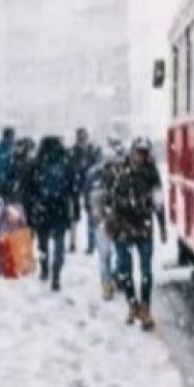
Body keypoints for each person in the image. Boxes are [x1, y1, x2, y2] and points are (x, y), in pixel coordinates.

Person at [111, 137, 166, 330]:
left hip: (143, 226)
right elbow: (111, 198)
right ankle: (132, 304)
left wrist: (162, 226)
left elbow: (159, 201)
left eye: (144, 153)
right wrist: (125, 206)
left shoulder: (151, 172)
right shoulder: (120, 170)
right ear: (132, 151)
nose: (141, 156)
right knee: (125, 270)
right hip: (123, 226)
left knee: (146, 271)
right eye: (138, 152)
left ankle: (145, 308)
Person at [28, 135, 74, 291]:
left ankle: (44, 269)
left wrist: (31, 210)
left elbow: (29, 189)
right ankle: (56, 274)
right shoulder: (65, 163)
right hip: (60, 209)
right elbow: (72, 189)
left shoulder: (36, 163)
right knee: (59, 244)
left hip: (42, 209)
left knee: (43, 243)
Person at [85, 142, 123, 300]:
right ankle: (108, 283)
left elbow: (86, 197)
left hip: (107, 220)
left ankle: (109, 282)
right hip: (105, 219)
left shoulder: (118, 175)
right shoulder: (99, 175)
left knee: (110, 254)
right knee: (108, 254)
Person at [69, 128, 100, 253]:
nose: (82, 140)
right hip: (78, 187)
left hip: (86, 186)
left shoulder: (90, 151)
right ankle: (74, 243)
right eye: (80, 138)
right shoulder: (76, 152)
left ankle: (90, 244)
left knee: (90, 216)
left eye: (83, 137)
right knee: (75, 217)